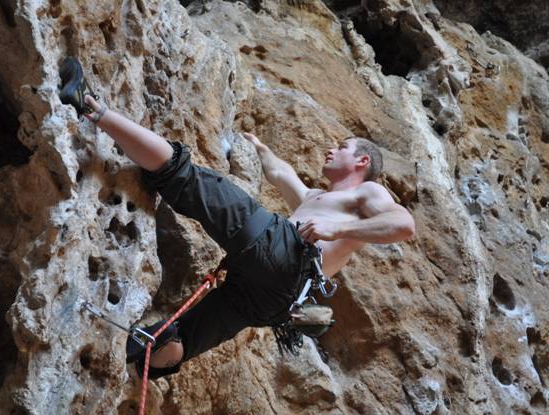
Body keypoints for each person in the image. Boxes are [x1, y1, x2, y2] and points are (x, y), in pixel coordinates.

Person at [59, 58, 415, 379]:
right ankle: (159, 349)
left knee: (182, 175)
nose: (331, 149)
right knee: (185, 337)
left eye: (341, 147)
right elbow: (281, 174)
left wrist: (338, 227)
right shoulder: (315, 198)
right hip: (270, 300)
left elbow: (403, 225)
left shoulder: (366, 194)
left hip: (281, 252)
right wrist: (260, 149)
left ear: (362, 162)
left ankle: (91, 107)